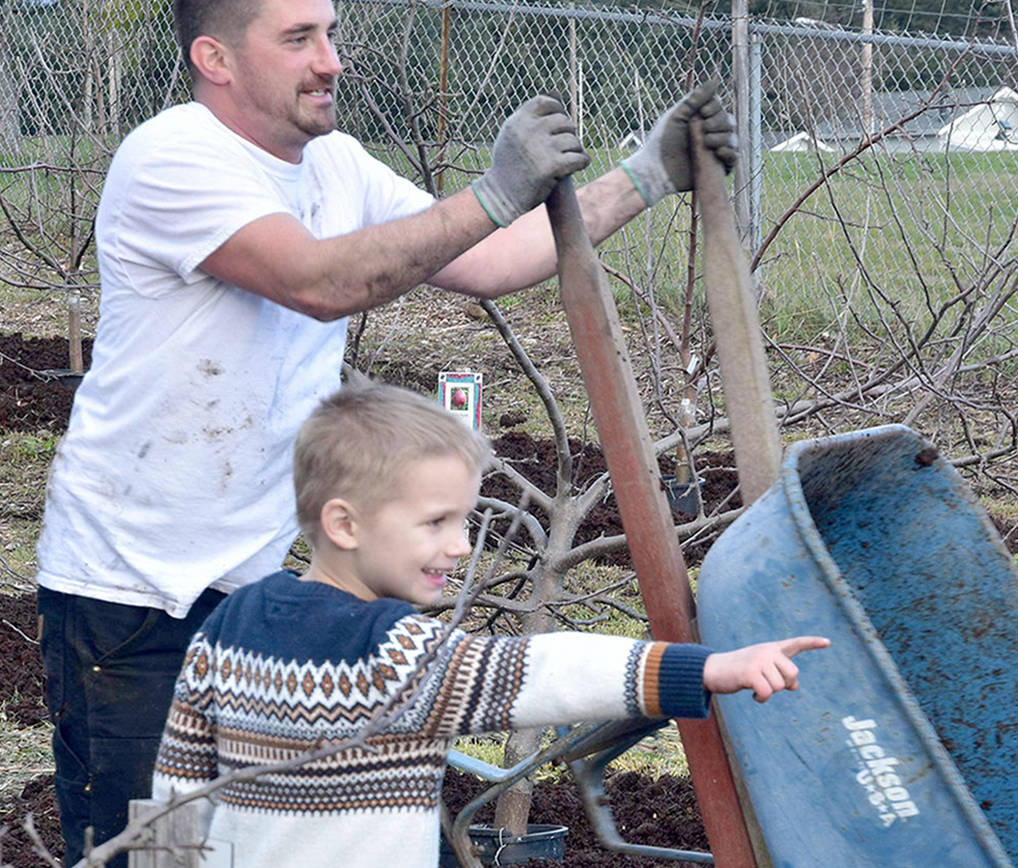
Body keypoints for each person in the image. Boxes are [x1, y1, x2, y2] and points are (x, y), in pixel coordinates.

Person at [34, 0, 738, 862]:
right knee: (154, 851)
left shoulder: (337, 166)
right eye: (298, 39)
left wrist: (647, 172)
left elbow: (493, 258)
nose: (330, 60)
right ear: (215, 58)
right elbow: (318, 280)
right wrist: (489, 192)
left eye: (329, 33)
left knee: (291, 829)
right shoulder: (173, 156)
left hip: (255, 579)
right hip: (129, 594)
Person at [147, 381, 828, 867]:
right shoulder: (392, 651)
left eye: (465, 519)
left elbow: (176, 793)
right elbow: (539, 673)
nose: (461, 544)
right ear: (345, 524)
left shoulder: (228, 624)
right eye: (436, 522)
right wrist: (703, 667)